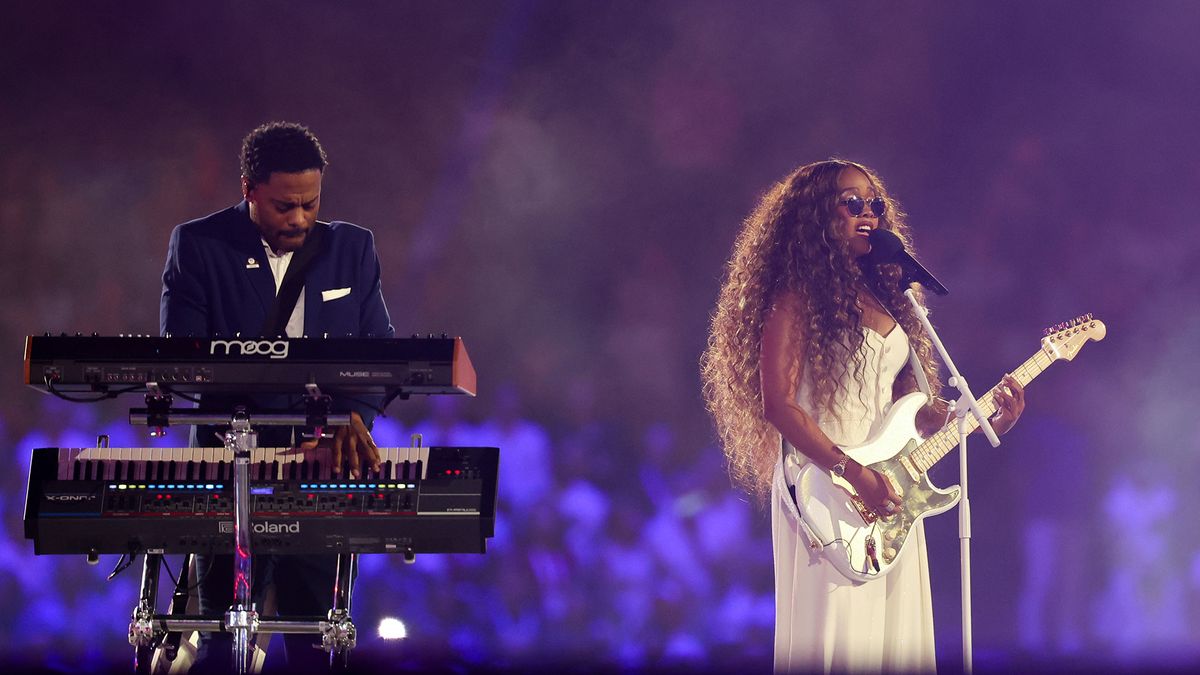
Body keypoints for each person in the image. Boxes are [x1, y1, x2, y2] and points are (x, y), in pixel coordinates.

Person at [700, 159, 1025, 672]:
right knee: (840, 638)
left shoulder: (894, 298)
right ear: (817, 218)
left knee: (896, 641)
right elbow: (779, 405)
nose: (867, 213)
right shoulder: (795, 298)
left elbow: (916, 419)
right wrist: (854, 476)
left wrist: (983, 420)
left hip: (889, 495)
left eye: (874, 204)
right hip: (827, 489)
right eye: (852, 204)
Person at [160, 121, 394, 670]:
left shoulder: (352, 248)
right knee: (222, 637)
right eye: (285, 205)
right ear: (249, 189)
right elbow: (182, 363)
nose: (299, 218)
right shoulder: (198, 245)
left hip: (321, 467)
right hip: (228, 464)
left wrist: (352, 419)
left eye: (310, 204)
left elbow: (380, 358)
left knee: (317, 636)